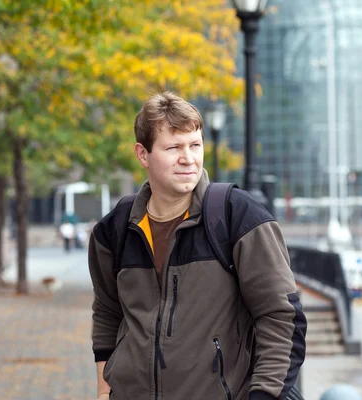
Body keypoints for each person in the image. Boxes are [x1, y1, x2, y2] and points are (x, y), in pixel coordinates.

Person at [88, 92, 306, 400]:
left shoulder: (237, 217)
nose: (188, 158)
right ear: (143, 154)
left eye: (195, 145)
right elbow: (108, 313)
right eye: (174, 147)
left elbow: (281, 316)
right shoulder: (114, 229)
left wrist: (265, 394)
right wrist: (103, 391)